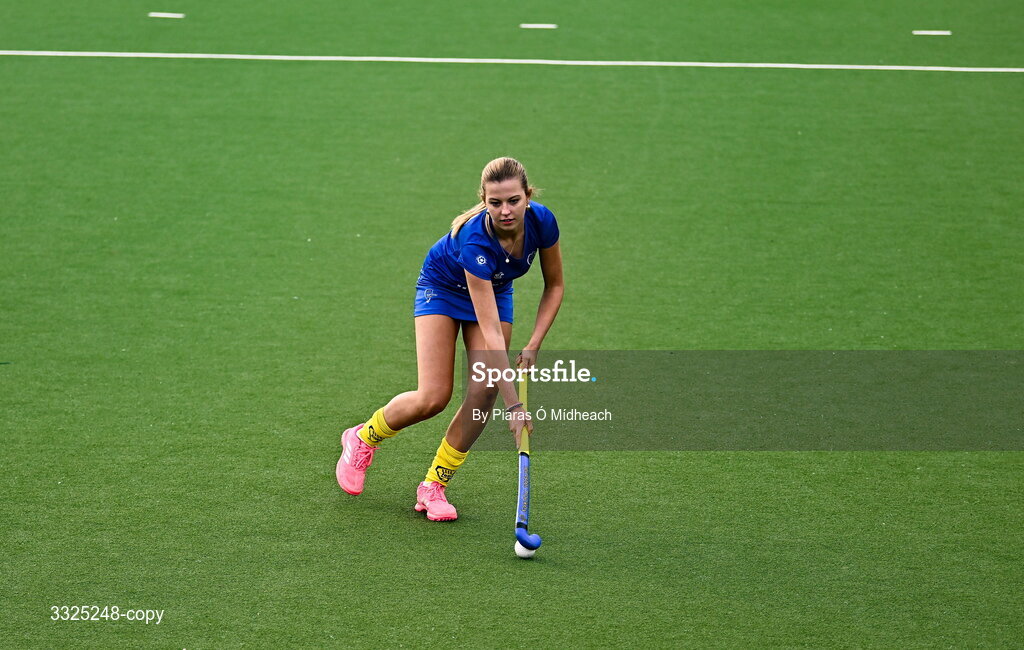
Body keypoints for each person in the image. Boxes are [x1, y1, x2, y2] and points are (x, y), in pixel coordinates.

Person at [336, 157, 564, 521]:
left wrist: (534, 342)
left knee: (484, 391)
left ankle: (433, 487)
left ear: (528, 196)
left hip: (495, 288)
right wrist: (516, 408)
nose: (505, 211)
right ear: (484, 200)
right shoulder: (475, 240)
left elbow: (555, 285)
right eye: (495, 202)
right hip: (442, 288)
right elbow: (490, 334)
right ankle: (364, 437)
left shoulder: (542, 221)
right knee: (433, 397)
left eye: (513, 201)